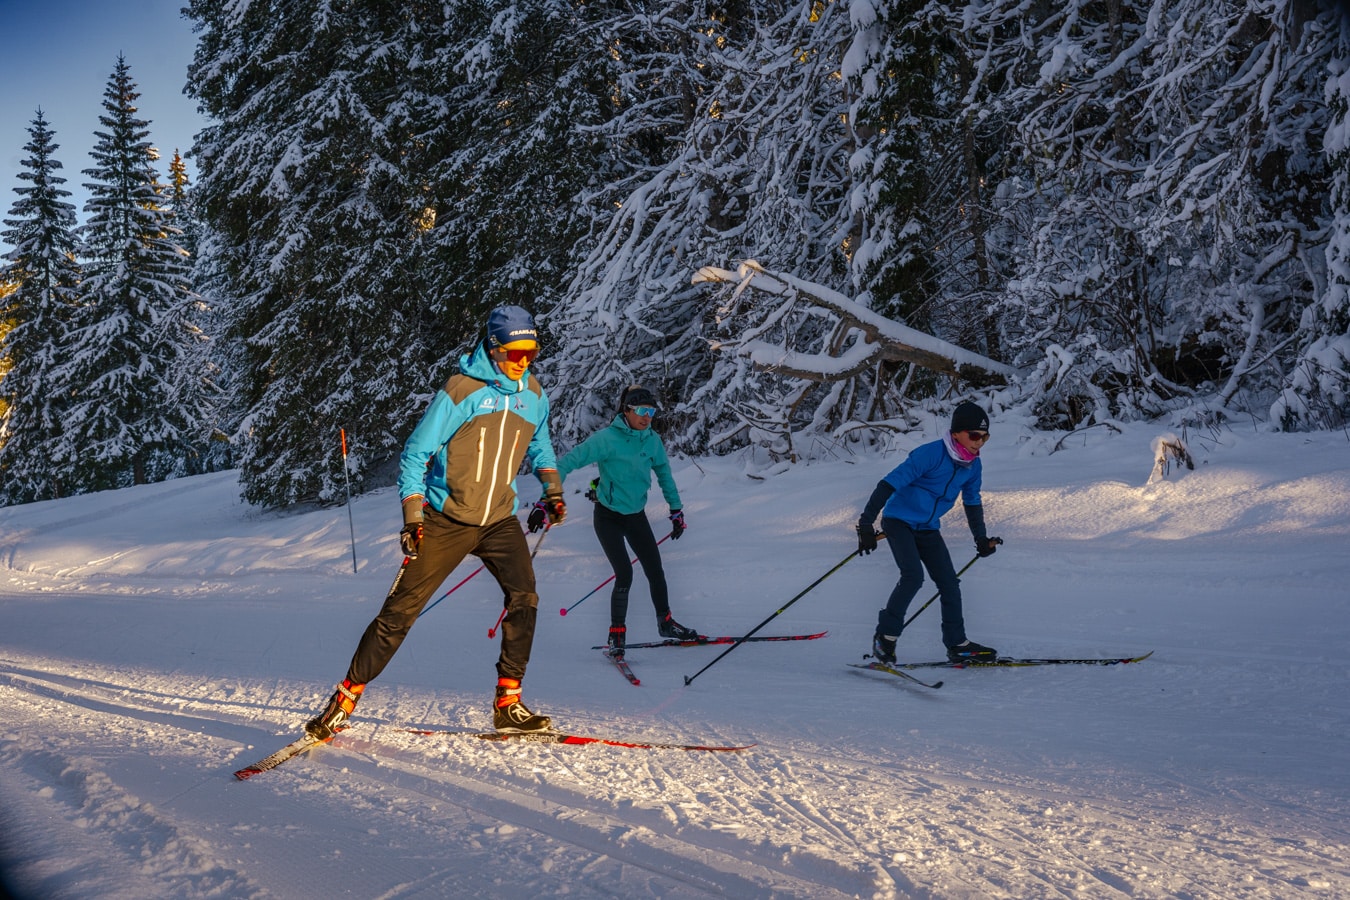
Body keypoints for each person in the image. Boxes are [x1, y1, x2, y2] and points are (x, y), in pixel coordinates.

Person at [306, 305, 567, 738]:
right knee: (399, 614)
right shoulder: (461, 391)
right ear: (495, 348)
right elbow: (415, 455)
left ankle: (509, 702)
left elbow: (539, 445)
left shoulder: (533, 394)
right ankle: (345, 698)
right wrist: (413, 516)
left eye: (532, 353)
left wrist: (552, 488)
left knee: (525, 598)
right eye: (516, 353)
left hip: (499, 518)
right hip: (447, 518)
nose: (524, 362)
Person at [536, 385, 696, 657]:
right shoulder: (606, 439)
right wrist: (546, 498)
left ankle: (666, 623)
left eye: (652, 412)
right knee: (625, 573)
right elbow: (567, 463)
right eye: (642, 411)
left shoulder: (652, 440)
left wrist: (676, 510)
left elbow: (665, 475)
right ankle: (616, 635)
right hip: (608, 518)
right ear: (627, 411)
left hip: (636, 516)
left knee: (655, 571)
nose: (647, 417)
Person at [855, 401, 1003, 664]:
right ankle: (885, 638)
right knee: (913, 576)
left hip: (928, 527)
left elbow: (972, 501)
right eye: (974, 435)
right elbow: (888, 483)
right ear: (957, 433)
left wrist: (980, 538)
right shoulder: (930, 454)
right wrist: (866, 524)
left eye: (985, 437)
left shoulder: (973, 465)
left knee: (949, 584)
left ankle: (957, 644)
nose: (980, 442)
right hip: (898, 520)